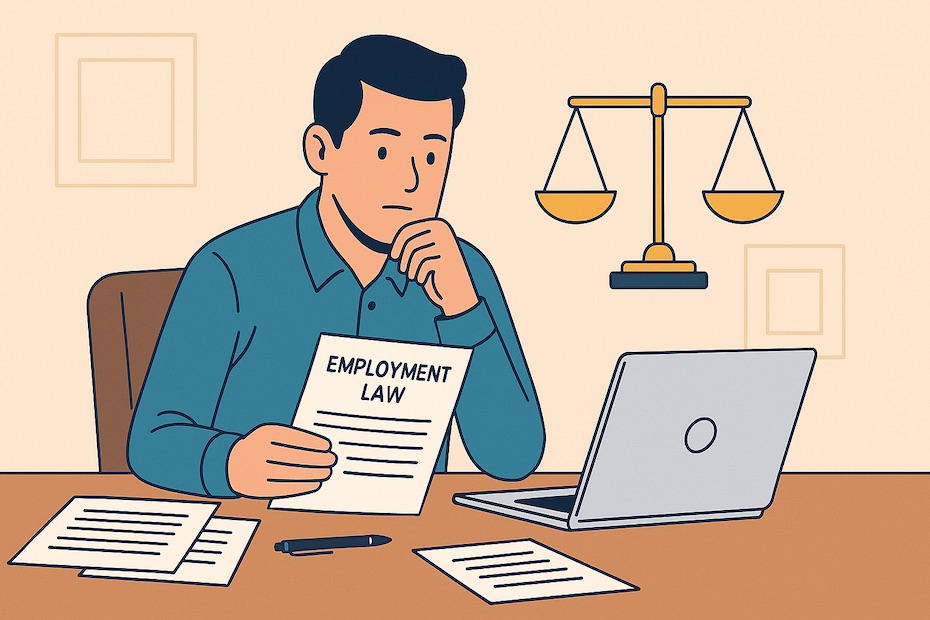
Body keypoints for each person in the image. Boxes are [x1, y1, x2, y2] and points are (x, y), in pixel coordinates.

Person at [128, 35, 545, 499]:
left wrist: (465, 310)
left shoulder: (463, 272)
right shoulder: (229, 268)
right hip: (259, 544)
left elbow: (513, 459)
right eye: (384, 151)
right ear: (321, 150)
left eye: (432, 155)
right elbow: (152, 442)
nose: (412, 181)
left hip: (407, 549)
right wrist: (232, 463)